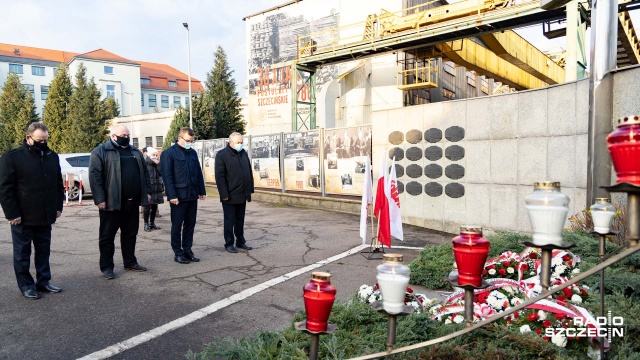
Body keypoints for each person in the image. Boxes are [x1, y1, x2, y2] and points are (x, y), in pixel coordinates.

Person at [0, 123, 65, 299]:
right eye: (39, 140)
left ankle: (43, 281)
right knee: (22, 254)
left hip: (45, 214)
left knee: (44, 251)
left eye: (46, 139)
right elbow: (5, 189)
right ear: (29, 138)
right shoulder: (12, 157)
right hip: (22, 216)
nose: (43, 143)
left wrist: (58, 206)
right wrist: (12, 213)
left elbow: (57, 184)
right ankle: (26, 286)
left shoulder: (52, 156)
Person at [89, 125, 151, 279]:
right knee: (107, 236)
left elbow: (145, 174)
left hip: (132, 201)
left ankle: (130, 261)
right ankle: (107, 267)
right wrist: (100, 199)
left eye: (128, 134)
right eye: (124, 134)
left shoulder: (135, 152)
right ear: (113, 136)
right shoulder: (101, 151)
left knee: (130, 234)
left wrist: (147, 192)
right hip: (111, 202)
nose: (127, 137)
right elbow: (95, 176)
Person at [161, 127, 206, 264]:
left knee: (190, 224)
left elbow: (198, 172)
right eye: (187, 140)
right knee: (177, 225)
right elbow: (167, 177)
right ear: (179, 138)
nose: (189, 143)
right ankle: (178, 252)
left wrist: (202, 190)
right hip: (178, 197)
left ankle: (188, 250)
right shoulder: (168, 154)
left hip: (192, 195)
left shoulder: (192, 153)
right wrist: (172, 195)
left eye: (191, 141)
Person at [215, 132, 254, 254]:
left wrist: (250, 188)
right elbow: (220, 177)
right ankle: (229, 243)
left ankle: (240, 241)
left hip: (242, 193)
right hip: (230, 195)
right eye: (238, 142)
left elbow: (248, 171)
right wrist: (224, 194)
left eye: (241, 142)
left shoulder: (243, 153)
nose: (240, 145)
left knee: (240, 220)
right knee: (229, 220)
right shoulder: (222, 155)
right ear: (230, 142)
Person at [143, 147, 164, 232]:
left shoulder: (157, 163)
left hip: (157, 188)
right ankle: (146, 224)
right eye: (153, 155)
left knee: (155, 206)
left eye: (156, 155)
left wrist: (158, 164)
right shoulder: (145, 163)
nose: (155, 156)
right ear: (149, 155)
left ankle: (152, 223)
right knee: (147, 207)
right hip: (148, 188)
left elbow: (161, 173)